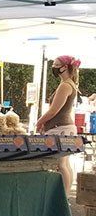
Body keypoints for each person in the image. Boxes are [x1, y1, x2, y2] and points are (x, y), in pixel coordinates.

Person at [36, 54, 81, 193]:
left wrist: (39, 122)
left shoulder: (65, 86)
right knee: (65, 164)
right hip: (65, 128)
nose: (53, 68)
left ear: (65, 67)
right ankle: (65, 195)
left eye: (56, 65)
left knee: (61, 164)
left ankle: (65, 196)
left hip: (61, 128)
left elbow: (53, 111)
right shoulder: (69, 84)